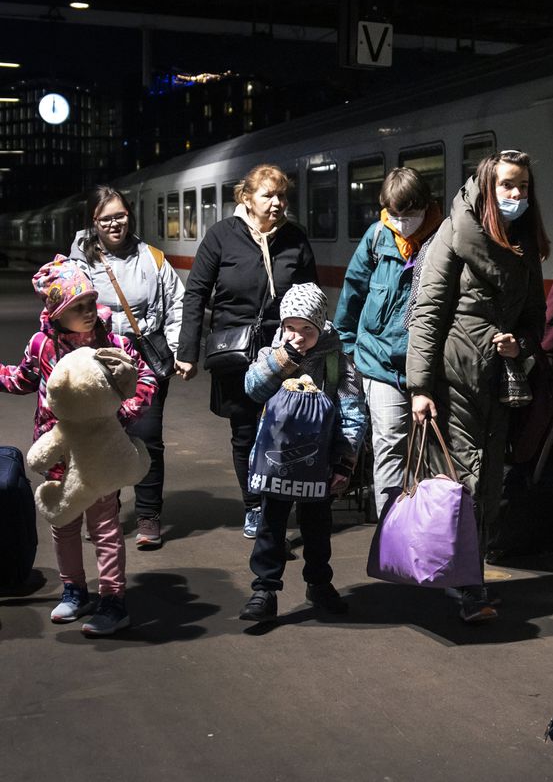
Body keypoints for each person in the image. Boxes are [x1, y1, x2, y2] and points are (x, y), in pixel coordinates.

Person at [406, 150, 549, 623]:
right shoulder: (453, 233)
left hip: (498, 383)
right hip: (453, 379)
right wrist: (420, 387)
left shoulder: (524, 242)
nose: (516, 195)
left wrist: (520, 349)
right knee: (464, 479)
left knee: (488, 484)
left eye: (523, 187)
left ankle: (468, 573)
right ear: (487, 187)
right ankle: (468, 585)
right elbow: (427, 315)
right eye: (508, 185)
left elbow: (535, 320)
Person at [0, 257, 156, 636]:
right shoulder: (41, 345)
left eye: (90, 303)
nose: (89, 312)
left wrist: (127, 411)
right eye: (78, 307)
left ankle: (113, 600)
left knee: (104, 527)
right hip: (58, 452)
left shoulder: (112, 341)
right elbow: (23, 379)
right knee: (64, 523)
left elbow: (144, 376)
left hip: (100, 451)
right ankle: (74, 590)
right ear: (56, 312)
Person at [175, 164, 317, 538]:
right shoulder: (222, 236)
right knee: (244, 432)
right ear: (247, 198)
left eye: (282, 195)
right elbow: (196, 294)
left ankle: (275, 502)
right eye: (268, 195)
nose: (277, 203)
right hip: (235, 351)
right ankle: (254, 505)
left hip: (285, 350)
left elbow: (312, 296)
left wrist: (317, 342)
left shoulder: (295, 238)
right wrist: (188, 349)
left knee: (284, 427)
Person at [238, 284, 367, 623]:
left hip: (317, 465)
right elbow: (253, 389)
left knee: (317, 528)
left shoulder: (337, 361)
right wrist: (284, 360)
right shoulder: (273, 353)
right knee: (271, 526)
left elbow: (352, 413)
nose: (297, 336)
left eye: (307, 329)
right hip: (275, 462)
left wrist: (344, 460)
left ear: (321, 326)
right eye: (290, 328)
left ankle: (319, 583)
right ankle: (264, 590)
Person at [69, 186, 184, 550]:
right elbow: (62, 310)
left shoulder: (152, 258)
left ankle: (149, 515)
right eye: (106, 219)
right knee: (104, 436)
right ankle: (107, 510)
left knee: (148, 436)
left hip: (143, 357)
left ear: (129, 215)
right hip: (98, 358)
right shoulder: (77, 262)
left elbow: (176, 304)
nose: (115, 223)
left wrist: (181, 350)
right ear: (94, 222)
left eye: (120, 215)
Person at [335, 167, 445, 518]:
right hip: (380, 362)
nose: (400, 221)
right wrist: (348, 347)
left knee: (429, 450)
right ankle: (391, 528)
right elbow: (353, 291)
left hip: (428, 364)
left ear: (426, 205)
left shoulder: (443, 239)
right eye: (393, 214)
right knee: (388, 446)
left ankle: (427, 526)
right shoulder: (377, 237)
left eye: (408, 214)